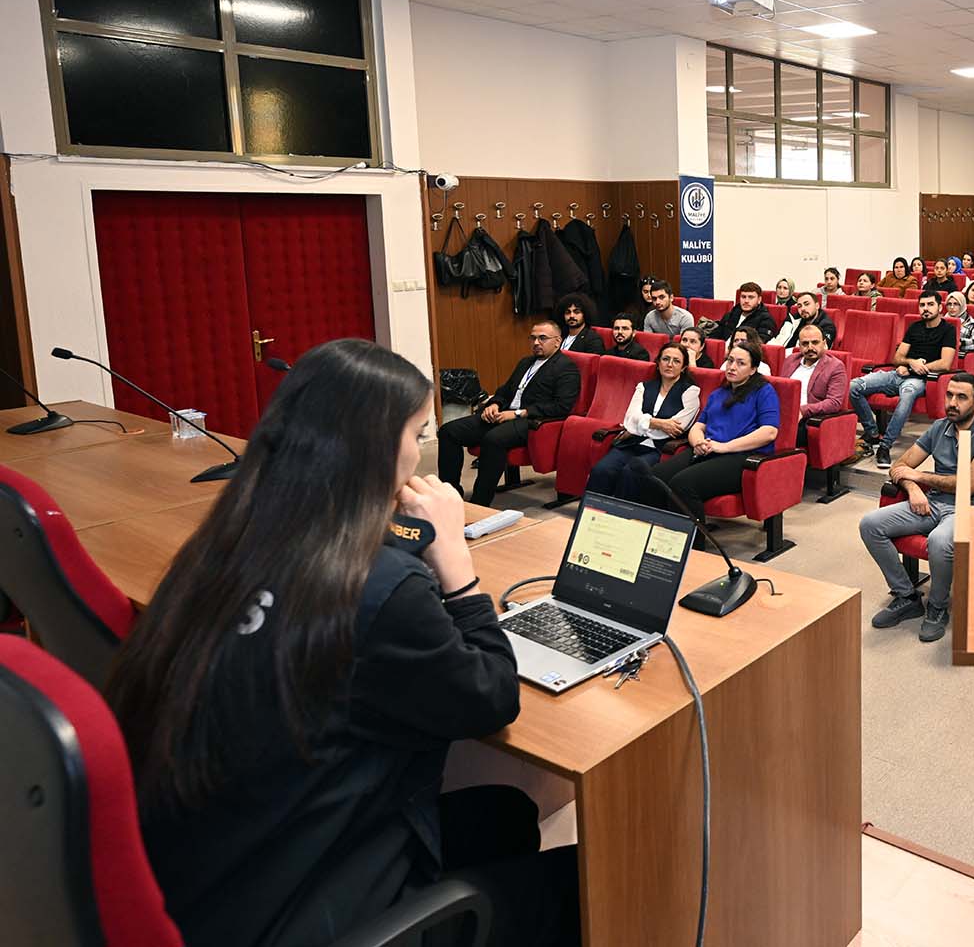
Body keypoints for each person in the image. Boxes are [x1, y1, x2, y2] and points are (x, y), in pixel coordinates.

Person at [106, 339, 578, 947]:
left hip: (213, 878)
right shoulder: (379, 586)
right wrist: (456, 565)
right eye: (417, 433)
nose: (420, 450)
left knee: (507, 813)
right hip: (303, 905)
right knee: (575, 881)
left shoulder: (226, 543)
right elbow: (491, 695)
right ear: (379, 450)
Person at [858, 372, 974, 644]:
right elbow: (899, 466)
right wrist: (913, 489)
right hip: (934, 503)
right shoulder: (940, 427)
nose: (952, 402)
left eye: (961, 397)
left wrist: (920, 477)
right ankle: (906, 596)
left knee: (939, 541)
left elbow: (968, 485)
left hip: (972, 509)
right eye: (949, 395)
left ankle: (937, 606)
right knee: (870, 524)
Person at [437, 320, 580, 505]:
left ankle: (480, 501)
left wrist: (518, 413)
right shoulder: (525, 362)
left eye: (542, 338)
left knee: (493, 439)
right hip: (502, 414)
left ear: (557, 341)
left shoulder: (566, 367)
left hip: (530, 421)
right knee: (448, 431)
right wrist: (494, 403)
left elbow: (562, 406)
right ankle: (451, 493)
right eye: (533, 338)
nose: (536, 343)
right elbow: (506, 390)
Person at [630, 342, 779, 520]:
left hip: (741, 457)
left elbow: (769, 432)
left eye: (740, 363)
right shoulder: (718, 393)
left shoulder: (764, 391)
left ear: (753, 369)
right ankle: (661, 531)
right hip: (708, 450)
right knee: (655, 477)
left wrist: (724, 447)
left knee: (683, 484)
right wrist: (698, 442)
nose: (732, 367)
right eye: (730, 360)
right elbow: (699, 426)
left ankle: (693, 543)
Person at [850, 290, 957, 467]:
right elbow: (897, 358)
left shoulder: (948, 330)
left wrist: (919, 367)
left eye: (930, 304)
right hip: (898, 373)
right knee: (854, 386)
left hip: (920, 380)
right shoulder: (914, 327)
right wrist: (909, 363)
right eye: (922, 305)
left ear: (940, 307)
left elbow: (945, 363)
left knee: (907, 395)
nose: (926, 309)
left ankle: (885, 446)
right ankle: (872, 432)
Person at [586, 342, 700, 499]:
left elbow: (677, 427)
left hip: (660, 449)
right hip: (633, 443)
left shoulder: (690, 392)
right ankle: (591, 513)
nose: (670, 364)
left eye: (676, 361)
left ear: (684, 367)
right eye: (665, 359)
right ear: (658, 363)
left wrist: (640, 425)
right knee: (602, 469)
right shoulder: (644, 387)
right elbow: (630, 419)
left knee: (630, 473)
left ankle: (620, 517)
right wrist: (659, 423)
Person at [787, 322, 848, 446]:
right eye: (805, 344)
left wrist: (803, 410)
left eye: (815, 342)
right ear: (799, 345)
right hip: (785, 413)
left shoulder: (835, 366)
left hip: (808, 418)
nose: (810, 347)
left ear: (824, 343)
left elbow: (834, 403)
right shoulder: (790, 360)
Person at [771, 290, 837, 347]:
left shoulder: (827, 326)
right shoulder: (792, 319)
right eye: (799, 306)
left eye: (807, 304)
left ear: (817, 306)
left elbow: (821, 349)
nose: (802, 309)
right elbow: (779, 341)